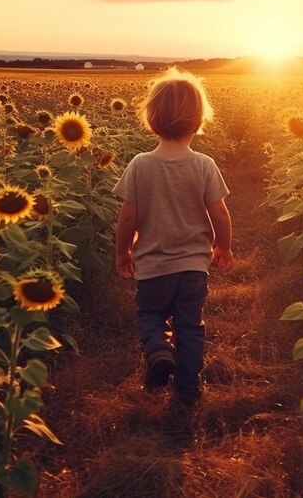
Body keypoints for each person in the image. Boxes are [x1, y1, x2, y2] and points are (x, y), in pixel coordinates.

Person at [112, 68, 233, 406]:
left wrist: (123, 252)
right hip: (194, 267)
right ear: (197, 122)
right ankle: (188, 388)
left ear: (151, 120)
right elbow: (220, 213)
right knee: (190, 326)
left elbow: (127, 217)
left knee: (150, 315)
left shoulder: (140, 165)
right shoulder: (205, 165)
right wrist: (222, 246)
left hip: (152, 266)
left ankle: (159, 351)